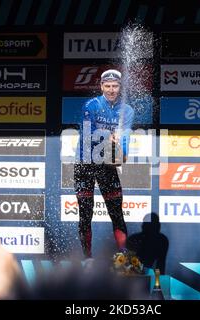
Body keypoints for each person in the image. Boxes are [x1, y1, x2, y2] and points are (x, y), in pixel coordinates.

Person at [74, 69, 135, 262]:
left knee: (116, 212)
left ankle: (124, 260)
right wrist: (108, 137)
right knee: (85, 213)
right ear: (101, 87)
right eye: (107, 86)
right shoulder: (91, 105)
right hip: (85, 163)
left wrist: (123, 154)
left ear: (120, 87)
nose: (111, 90)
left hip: (106, 164)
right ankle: (87, 259)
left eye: (115, 86)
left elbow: (124, 138)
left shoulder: (127, 110)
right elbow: (86, 134)